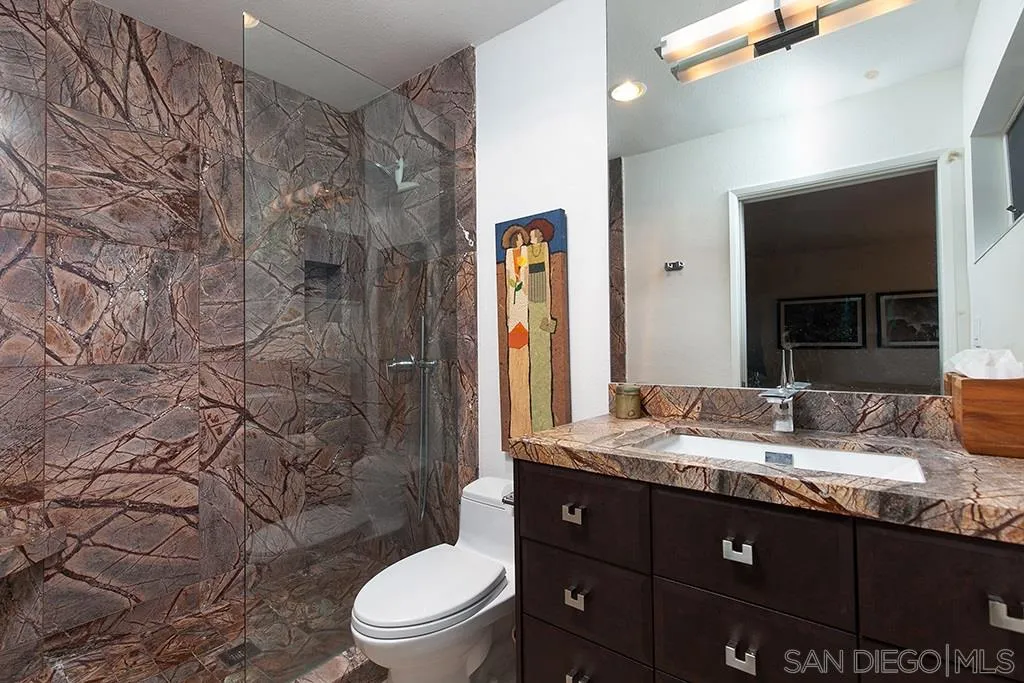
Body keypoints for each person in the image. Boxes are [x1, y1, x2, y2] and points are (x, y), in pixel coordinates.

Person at [525, 218, 558, 431]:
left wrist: (547, 310)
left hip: (540, 302)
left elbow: (545, 281)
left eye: (534, 233)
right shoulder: (524, 254)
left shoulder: (543, 249)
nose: (531, 236)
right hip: (530, 303)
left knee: (542, 357)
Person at [501, 226, 532, 437]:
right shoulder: (510, 256)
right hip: (514, 315)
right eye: (517, 239)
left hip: (523, 314)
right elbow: (510, 280)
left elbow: (524, 279)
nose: (519, 241)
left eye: (521, 238)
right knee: (516, 358)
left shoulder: (526, 256)